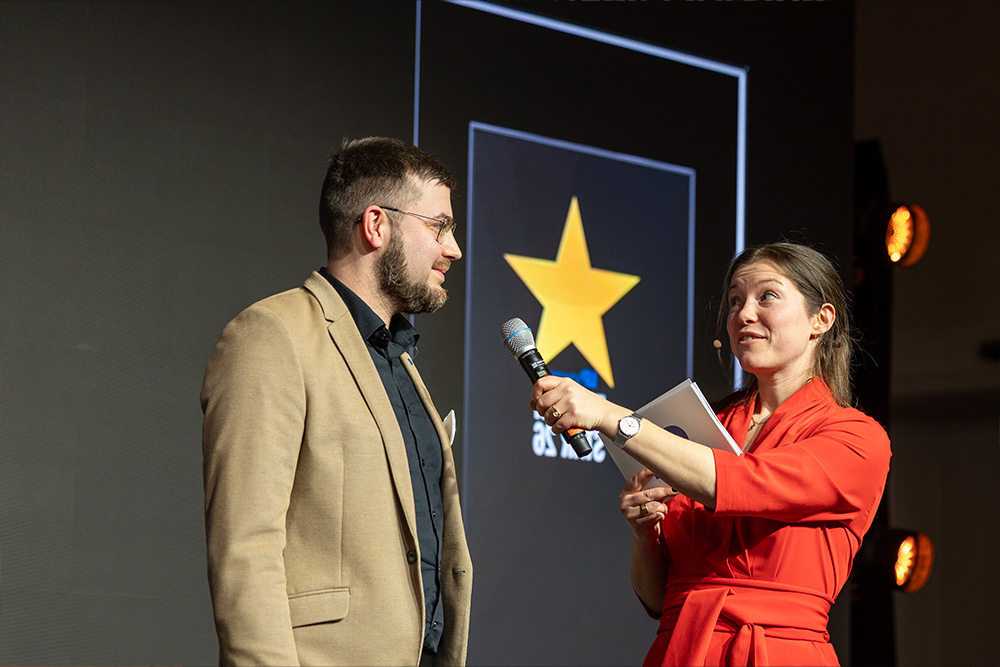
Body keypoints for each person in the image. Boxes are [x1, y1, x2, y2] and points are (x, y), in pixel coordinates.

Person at [530, 242, 890, 666]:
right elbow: (660, 599)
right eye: (735, 301)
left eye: (767, 296)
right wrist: (644, 538)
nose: (744, 314)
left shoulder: (857, 438)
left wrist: (612, 417)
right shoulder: (705, 425)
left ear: (821, 319)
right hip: (681, 649)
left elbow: (742, 482)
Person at [200, 137, 473, 666]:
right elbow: (245, 550)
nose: (453, 249)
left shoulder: (399, 359)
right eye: (439, 226)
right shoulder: (272, 335)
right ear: (376, 225)